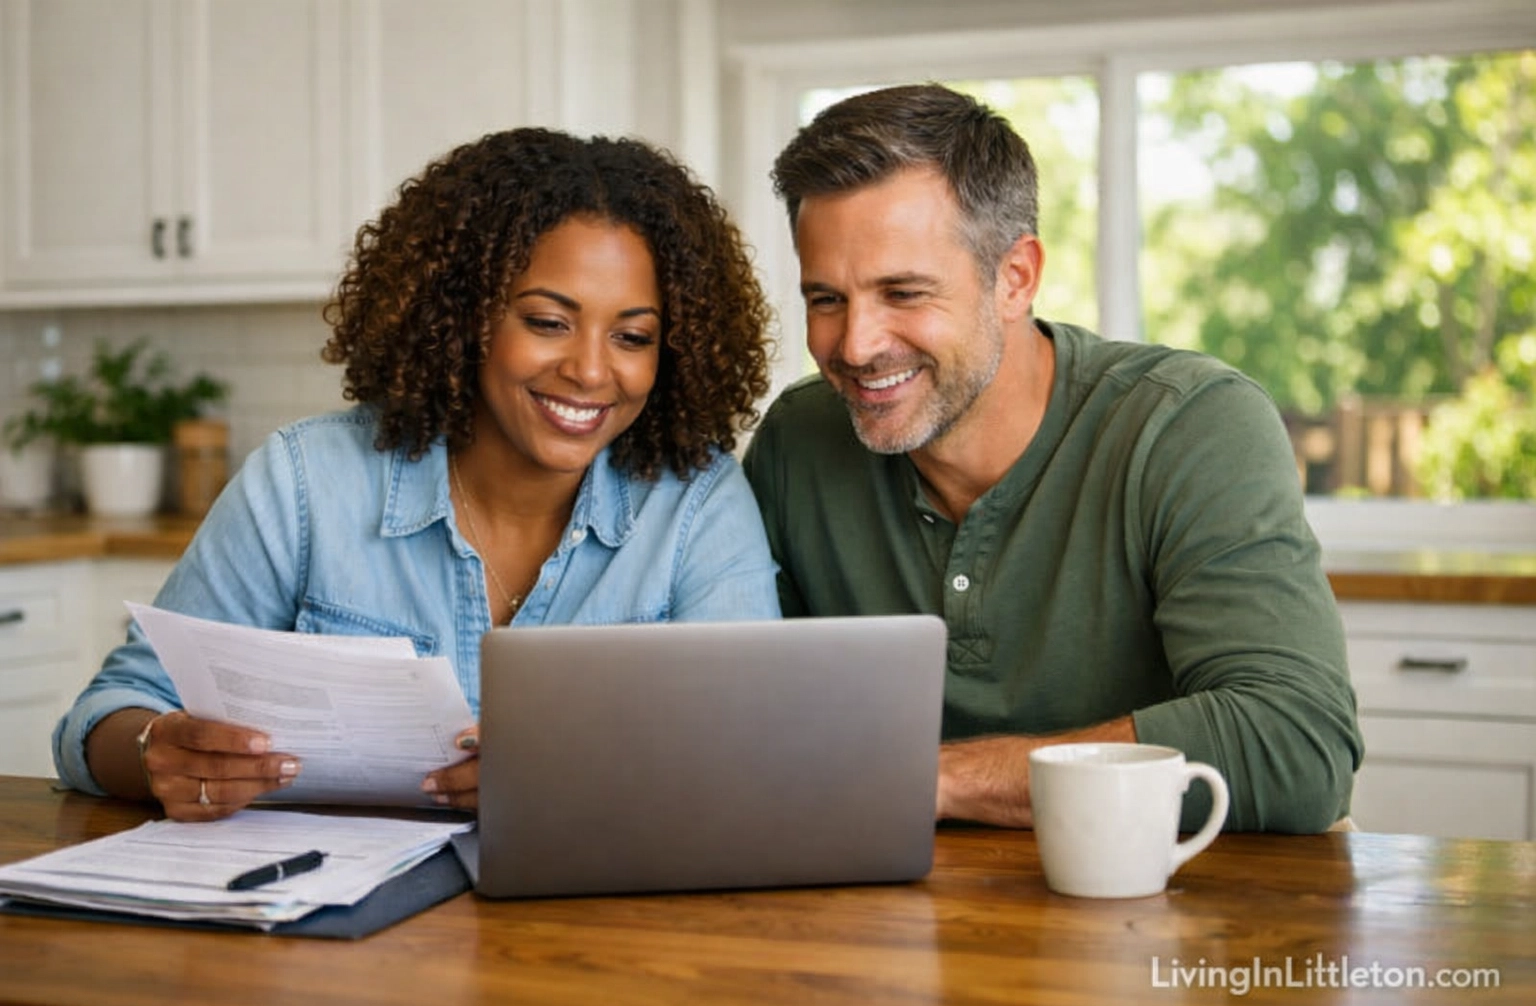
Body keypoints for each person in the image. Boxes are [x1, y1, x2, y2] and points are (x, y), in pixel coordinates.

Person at [53, 128, 781, 820]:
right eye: (546, 322)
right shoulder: (307, 481)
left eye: (632, 336)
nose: (591, 370)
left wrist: (583, 778)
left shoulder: (697, 503)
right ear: (463, 314)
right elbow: (108, 712)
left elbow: (752, 754)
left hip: (588, 930)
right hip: (323, 919)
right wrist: (158, 753)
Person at [744, 83, 1362, 833]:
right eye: (826, 299)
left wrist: (938, 779)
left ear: (1016, 278)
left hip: (1174, 904)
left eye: (903, 293)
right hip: (896, 907)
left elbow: (1297, 745)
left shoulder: (1189, 424)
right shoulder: (797, 442)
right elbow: (757, 717)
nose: (855, 345)